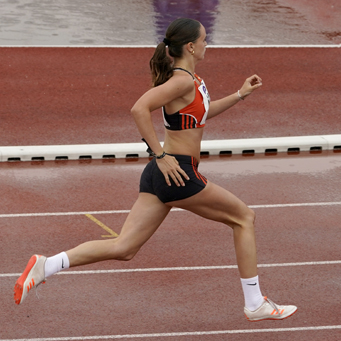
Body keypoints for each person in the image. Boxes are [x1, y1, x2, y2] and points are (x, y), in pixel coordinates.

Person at [14, 18, 297, 321]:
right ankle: (254, 302)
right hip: (178, 172)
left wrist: (240, 95)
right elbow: (139, 109)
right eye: (204, 39)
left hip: (162, 175)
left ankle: (48, 264)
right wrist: (159, 153)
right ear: (190, 46)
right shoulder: (182, 81)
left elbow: (202, 115)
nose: (206, 44)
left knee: (124, 247)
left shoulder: (191, 80)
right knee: (244, 218)